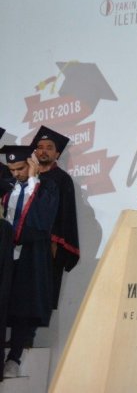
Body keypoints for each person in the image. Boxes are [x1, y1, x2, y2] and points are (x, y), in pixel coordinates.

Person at [0, 146, 58, 379]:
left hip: (30, 255)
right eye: (12, 169)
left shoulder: (47, 187)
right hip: (5, 256)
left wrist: (34, 180)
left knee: (24, 307)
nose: (16, 173)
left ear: (31, 163)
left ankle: (13, 359)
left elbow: (43, 219)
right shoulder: (6, 188)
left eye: (21, 168)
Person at [29, 126, 79, 309]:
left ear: (57, 154)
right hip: (24, 245)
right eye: (40, 147)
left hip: (48, 247)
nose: (43, 151)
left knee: (42, 300)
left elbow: (66, 216)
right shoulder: (27, 176)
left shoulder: (62, 179)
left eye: (49, 147)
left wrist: (56, 246)